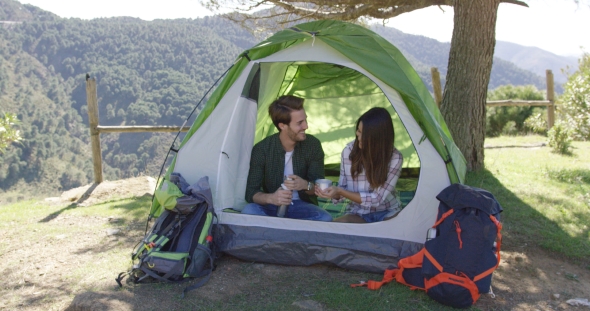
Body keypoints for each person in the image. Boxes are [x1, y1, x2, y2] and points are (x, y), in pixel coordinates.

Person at [242, 95, 332, 222]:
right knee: (249, 211)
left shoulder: (312, 145)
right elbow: (251, 193)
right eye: (300, 123)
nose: (306, 126)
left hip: (302, 206)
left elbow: (317, 189)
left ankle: (276, 233)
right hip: (271, 206)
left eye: (305, 120)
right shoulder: (262, 149)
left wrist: (305, 185)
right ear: (282, 126)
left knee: (325, 218)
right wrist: (272, 198)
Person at [316, 107, 403, 223]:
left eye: (363, 134)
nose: (358, 136)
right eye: (358, 131)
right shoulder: (348, 152)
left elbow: (377, 199)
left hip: (387, 211)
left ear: (378, 137)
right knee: (334, 231)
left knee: (398, 234)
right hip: (358, 213)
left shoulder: (395, 158)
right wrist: (334, 193)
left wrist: (341, 192)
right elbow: (342, 188)